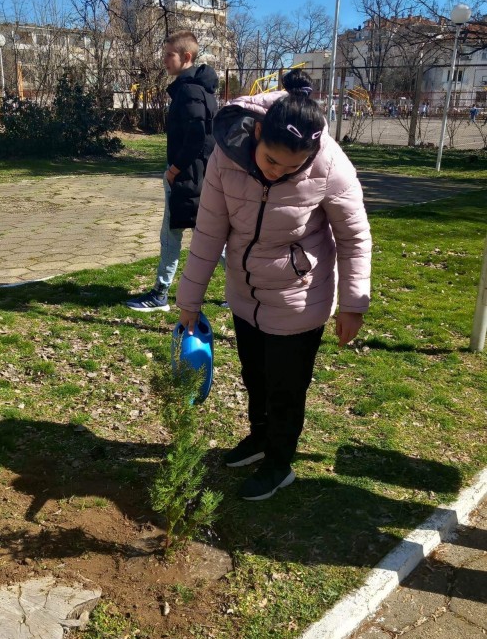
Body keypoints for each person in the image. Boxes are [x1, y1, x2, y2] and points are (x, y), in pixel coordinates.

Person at [176, 70, 372, 501]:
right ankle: (259, 438)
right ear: (257, 133)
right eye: (270, 161)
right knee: (255, 375)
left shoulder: (330, 164)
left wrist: (354, 305)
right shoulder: (224, 158)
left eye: (292, 167)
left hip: (301, 297)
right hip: (246, 294)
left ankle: (280, 463)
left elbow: (353, 236)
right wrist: (189, 298)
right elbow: (209, 233)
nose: (278, 172)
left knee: (287, 387)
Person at [127, 30, 223, 312]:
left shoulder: (190, 91)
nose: (164, 60)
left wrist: (174, 170)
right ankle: (243, 288)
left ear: (186, 57)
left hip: (187, 177)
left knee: (171, 235)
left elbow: (197, 137)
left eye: (169, 55)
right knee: (207, 234)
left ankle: (159, 295)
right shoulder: (198, 89)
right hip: (198, 176)